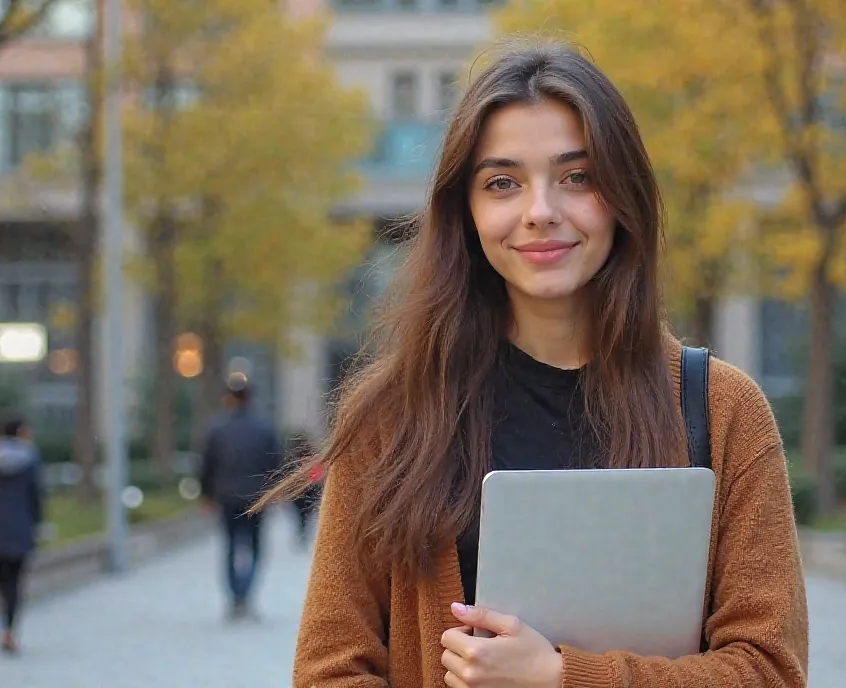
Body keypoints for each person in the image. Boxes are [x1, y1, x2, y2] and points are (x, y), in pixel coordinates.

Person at [261, 40, 808, 687]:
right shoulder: (392, 416)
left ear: (623, 194)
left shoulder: (723, 409)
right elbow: (328, 670)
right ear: (465, 212)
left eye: (577, 177)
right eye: (502, 183)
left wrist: (559, 677)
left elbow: (770, 668)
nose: (540, 211)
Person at [199, 372, 281, 621]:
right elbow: (275, 464)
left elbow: (206, 464)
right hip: (256, 497)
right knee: (255, 547)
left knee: (231, 546)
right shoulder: (264, 428)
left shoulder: (216, 428)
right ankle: (246, 594)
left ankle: (236, 596)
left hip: (227, 496)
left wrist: (206, 495)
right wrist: (275, 493)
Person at [0, 415, 43, 655]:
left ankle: (3, 625)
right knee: (16, 582)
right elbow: (36, 497)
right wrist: (37, 525)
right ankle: (9, 630)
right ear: (21, 431)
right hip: (21, 529)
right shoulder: (31, 460)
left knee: (0, 579)